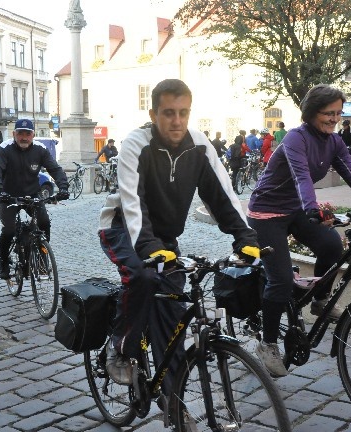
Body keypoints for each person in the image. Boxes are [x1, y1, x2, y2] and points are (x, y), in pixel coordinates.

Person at [97, 79, 259, 405]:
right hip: (123, 229)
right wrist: (148, 247)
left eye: (183, 112)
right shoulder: (135, 144)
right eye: (169, 113)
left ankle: (172, 401)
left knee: (172, 316)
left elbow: (222, 195)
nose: (177, 121)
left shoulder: (199, 147)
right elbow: (132, 201)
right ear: (153, 113)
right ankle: (120, 344)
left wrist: (245, 236)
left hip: (164, 238)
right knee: (142, 278)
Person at [247, 84, 351, 377]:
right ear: (312, 112)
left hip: (295, 210)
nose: (334, 118)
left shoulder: (334, 142)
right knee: (278, 281)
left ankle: (319, 300)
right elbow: (301, 175)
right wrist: (313, 209)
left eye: (338, 113)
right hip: (267, 213)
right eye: (328, 113)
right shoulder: (295, 138)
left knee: (331, 245)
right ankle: (267, 344)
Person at [0, 119, 69, 280]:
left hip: (32, 195)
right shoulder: (5, 149)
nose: (24, 137)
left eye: (28, 134)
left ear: (33, 135)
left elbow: (55, 169)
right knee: (9, 230)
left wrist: (63, 187)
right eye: (20, 133)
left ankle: (42, 256)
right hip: (9, 195)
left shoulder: (40, 149)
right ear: (14, 134)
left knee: (44, 222)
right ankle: (4, 260)